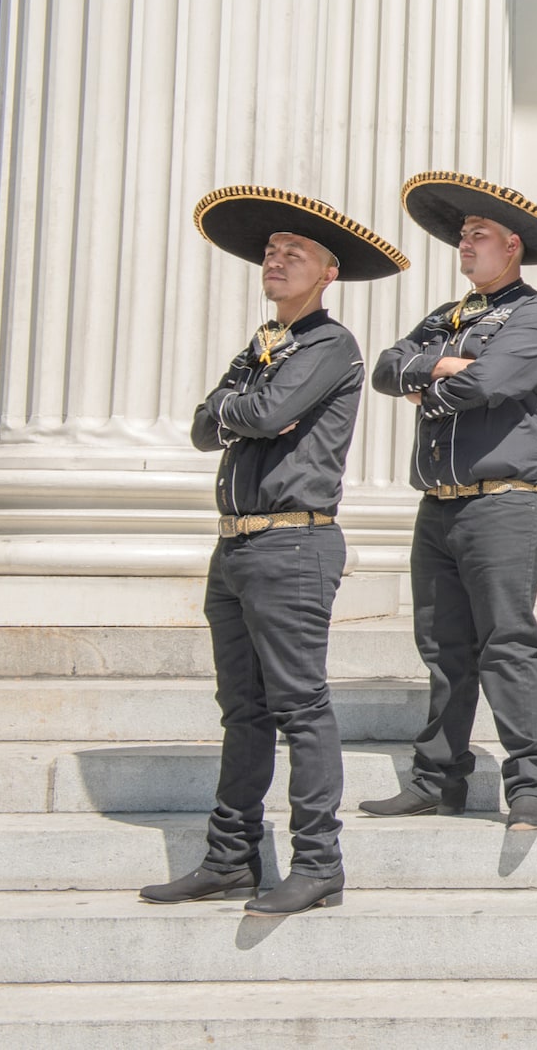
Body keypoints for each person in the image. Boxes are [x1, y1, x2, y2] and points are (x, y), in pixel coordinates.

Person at [139, 187, 407, 915]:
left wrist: (238, 410)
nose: (276, 259)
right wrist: (239, 412)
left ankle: (319, 861)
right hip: (236, 548)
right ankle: (231, 857)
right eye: (271, 250)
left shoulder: (329, 344)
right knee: (243, 710)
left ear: (329, 273)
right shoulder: (265, 345)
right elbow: (208, 425)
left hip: (292, 544)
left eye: (295, 252)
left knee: (300, 705)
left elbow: (262, 411)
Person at [362, 173, 537, 832]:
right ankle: (437, 779)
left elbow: (488, 383)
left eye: (478, 236)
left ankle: (529, 786)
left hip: (506, 505)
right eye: (462, 235)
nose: (464, 245)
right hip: (439, 504)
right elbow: (384, 367)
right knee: (441, 646)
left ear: (512, 246)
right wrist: (441, 366)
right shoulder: (444, 318)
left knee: (505, 644)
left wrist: (430, 375)